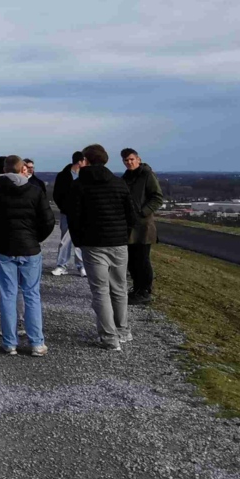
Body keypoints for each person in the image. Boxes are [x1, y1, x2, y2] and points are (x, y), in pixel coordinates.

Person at [67, 144, 138, 350]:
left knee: (100, 291)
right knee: (119, 288)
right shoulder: (119, 183)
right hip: (118, 243)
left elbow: (74, 217)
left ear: (86, 161)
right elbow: (131, 216)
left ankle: (109, 337)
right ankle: (123, 331)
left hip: (93, 243)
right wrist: (123, 235)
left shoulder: (79, 185)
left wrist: (79, 240)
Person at [0, 155, 54, 355]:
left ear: (4, 169)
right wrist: (35, 238)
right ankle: (37, 343)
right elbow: (48, 221)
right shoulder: (35, 191)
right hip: (30, 249)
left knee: (8, 294)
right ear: (22, 169)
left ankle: (9, 342)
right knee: (31, 295)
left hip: (5, 249)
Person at [121, 148, 163, 304]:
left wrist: (143, 212)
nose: (129, 163)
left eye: (132, 159)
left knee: (143, 260)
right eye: (126, 160)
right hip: (129, 226)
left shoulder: (147, 175)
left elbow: (157, 198)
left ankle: (145, 291)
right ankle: (137, 289)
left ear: (138, 159)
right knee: (132, 260)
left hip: (144, 226)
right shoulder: (125, 178)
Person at [50, 151, 88, 277]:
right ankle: (61, 266)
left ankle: (82, 266)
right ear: (80, 161)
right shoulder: (63, 176)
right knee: (65, 240)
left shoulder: (86, 175)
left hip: (82, 214)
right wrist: (65, 207)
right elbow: (57, 194)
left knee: (80, 241)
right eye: (85, 161)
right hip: (67, 213)